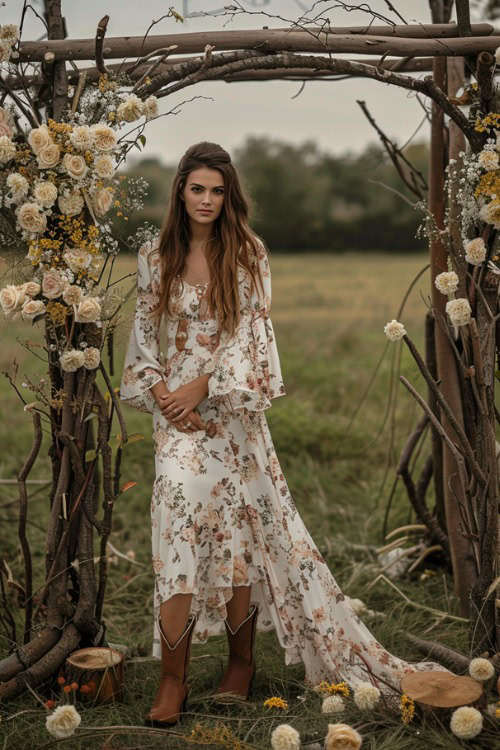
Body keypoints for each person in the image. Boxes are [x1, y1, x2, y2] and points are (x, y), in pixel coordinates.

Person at [119, 141, 450, 727]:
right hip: (175, 419)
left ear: (230, 196)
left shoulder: (248, 253)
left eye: (217, 191)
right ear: (180, 191)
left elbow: (251, 337)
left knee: (241, 531)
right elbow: (143, 339)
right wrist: (167, 398)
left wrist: (203, 390)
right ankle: (172, 678)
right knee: (176, 522)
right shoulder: (154, 254)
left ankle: (239, 665)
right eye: (197, 188)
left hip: (233, 412)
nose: (207, 200)